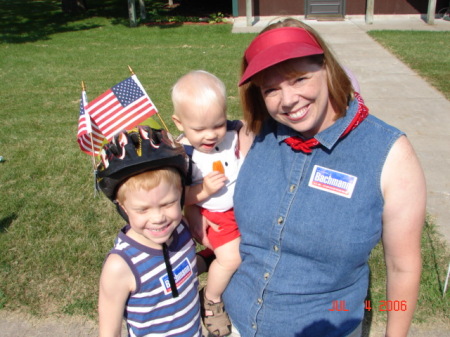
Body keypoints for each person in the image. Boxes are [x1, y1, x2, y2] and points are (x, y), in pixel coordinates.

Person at [191, 18, 427, 337]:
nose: (287, 100)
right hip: (234, 325)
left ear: (327, 68)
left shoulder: (390, 155)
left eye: (300, 79)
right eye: (271, 89)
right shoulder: (253, 136)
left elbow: (403, 268)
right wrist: (192, 212)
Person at [96, 126, 204, 337]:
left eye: (167, 203)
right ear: (124, 207)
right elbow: (109, 332)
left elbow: (184, 268)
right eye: (142, 209)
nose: (158, 218)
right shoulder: (121, 266)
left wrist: (217, 257)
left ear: (181, 195)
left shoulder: (181, 229)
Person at [171, 70, 252, 336]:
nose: (211, 135)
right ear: (179, 123)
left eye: (217, 124)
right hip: (215, 214)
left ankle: (205, 260)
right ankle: (212, 299)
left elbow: (245, 123)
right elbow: (180, 196)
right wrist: (203, 191)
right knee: (232, 258)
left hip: (239, 209)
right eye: (199, 129)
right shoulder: (184, 154)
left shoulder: (231, 131)